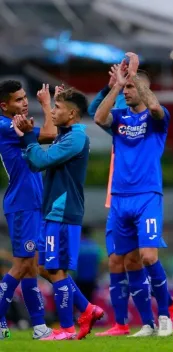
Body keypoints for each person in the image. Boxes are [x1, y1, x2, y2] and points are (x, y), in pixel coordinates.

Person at [89, 64, 173, 337]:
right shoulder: (119, 117)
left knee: (148, 255)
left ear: (143, 88)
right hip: (119, 198)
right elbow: (98, 117)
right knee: (129, 262)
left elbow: (154, 107)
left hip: (147, 196)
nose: (127, 91)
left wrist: (136, 79)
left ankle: (164, 315)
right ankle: (147, 323)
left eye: (131, 87)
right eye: (126, 87)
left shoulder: (157, 119)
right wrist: (116, 85)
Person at [13, 88, 104, 340]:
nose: (53, 113)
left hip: (63, 212)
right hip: (52, 211)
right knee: (45, 267)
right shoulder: (65, 136)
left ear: (72, 113)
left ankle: (67, 329)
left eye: (57, 108)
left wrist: (29, 136)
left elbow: (40, 161)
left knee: (55, 270)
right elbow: (34, 161)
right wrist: (31, 133)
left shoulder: (76, 139)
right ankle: (86, 308)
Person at [0, 81, 56, 340]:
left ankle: (39, 327)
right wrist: (46, 105)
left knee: (31, 266)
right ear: (4, 106)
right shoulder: (6, 126)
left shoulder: (16, 126)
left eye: (25, 98)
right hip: (22, 204)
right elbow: (49, 134)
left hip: (32, 203)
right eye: (18, 99)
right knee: (22, 264)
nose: (24, 102)